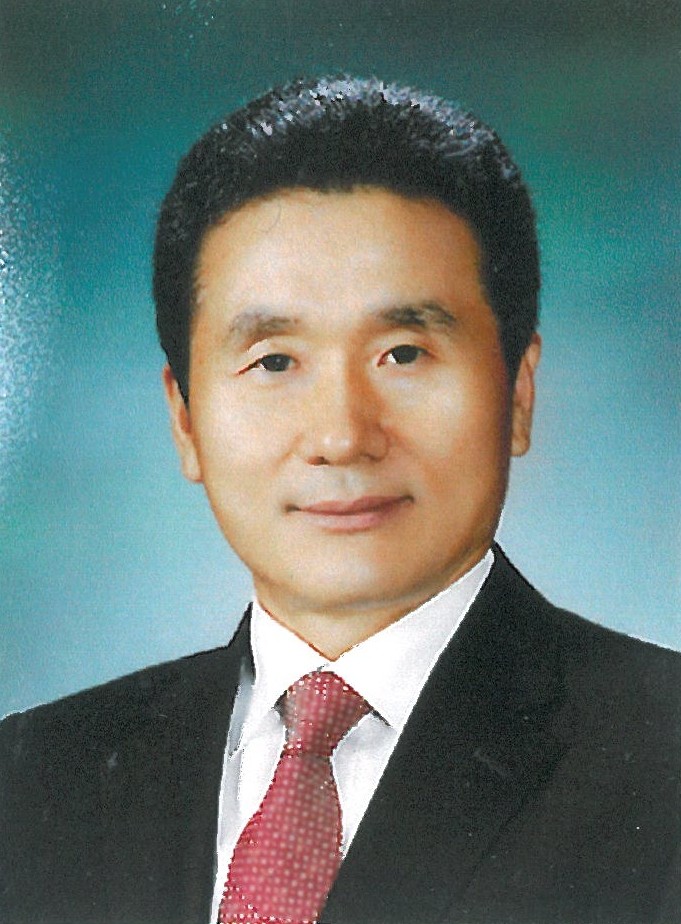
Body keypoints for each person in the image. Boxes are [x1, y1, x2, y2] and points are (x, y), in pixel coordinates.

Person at [1, 75, 679, 924]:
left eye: (404, 353)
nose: (342, 435)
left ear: (517, 392)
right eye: (274, 362)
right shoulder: (30, 779)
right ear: (185, 420)